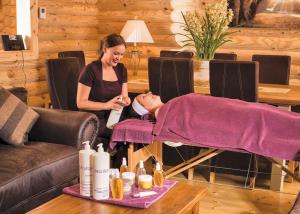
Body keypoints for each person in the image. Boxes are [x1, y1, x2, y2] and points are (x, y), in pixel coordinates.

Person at [126, 92, 300, 161]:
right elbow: (189, 125)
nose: (149, 93)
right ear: (144, 109)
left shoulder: (171, 105)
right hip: (233, 121)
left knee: (265, 111)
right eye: (143, 97)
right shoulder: (167, 115)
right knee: (264, 119)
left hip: (233, 108)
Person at [77, 33, 131, 144]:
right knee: (126, 134)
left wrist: (126, 100)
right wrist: (106, 105)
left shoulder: (121, 69)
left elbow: (125, 96)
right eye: (116, 53)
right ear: (105, 49)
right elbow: (80, 103)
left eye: (122, 54)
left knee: (135, 129)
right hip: (95, 120)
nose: (119, 58)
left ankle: (126, 160)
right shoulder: (91, 70)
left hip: (114, 117)